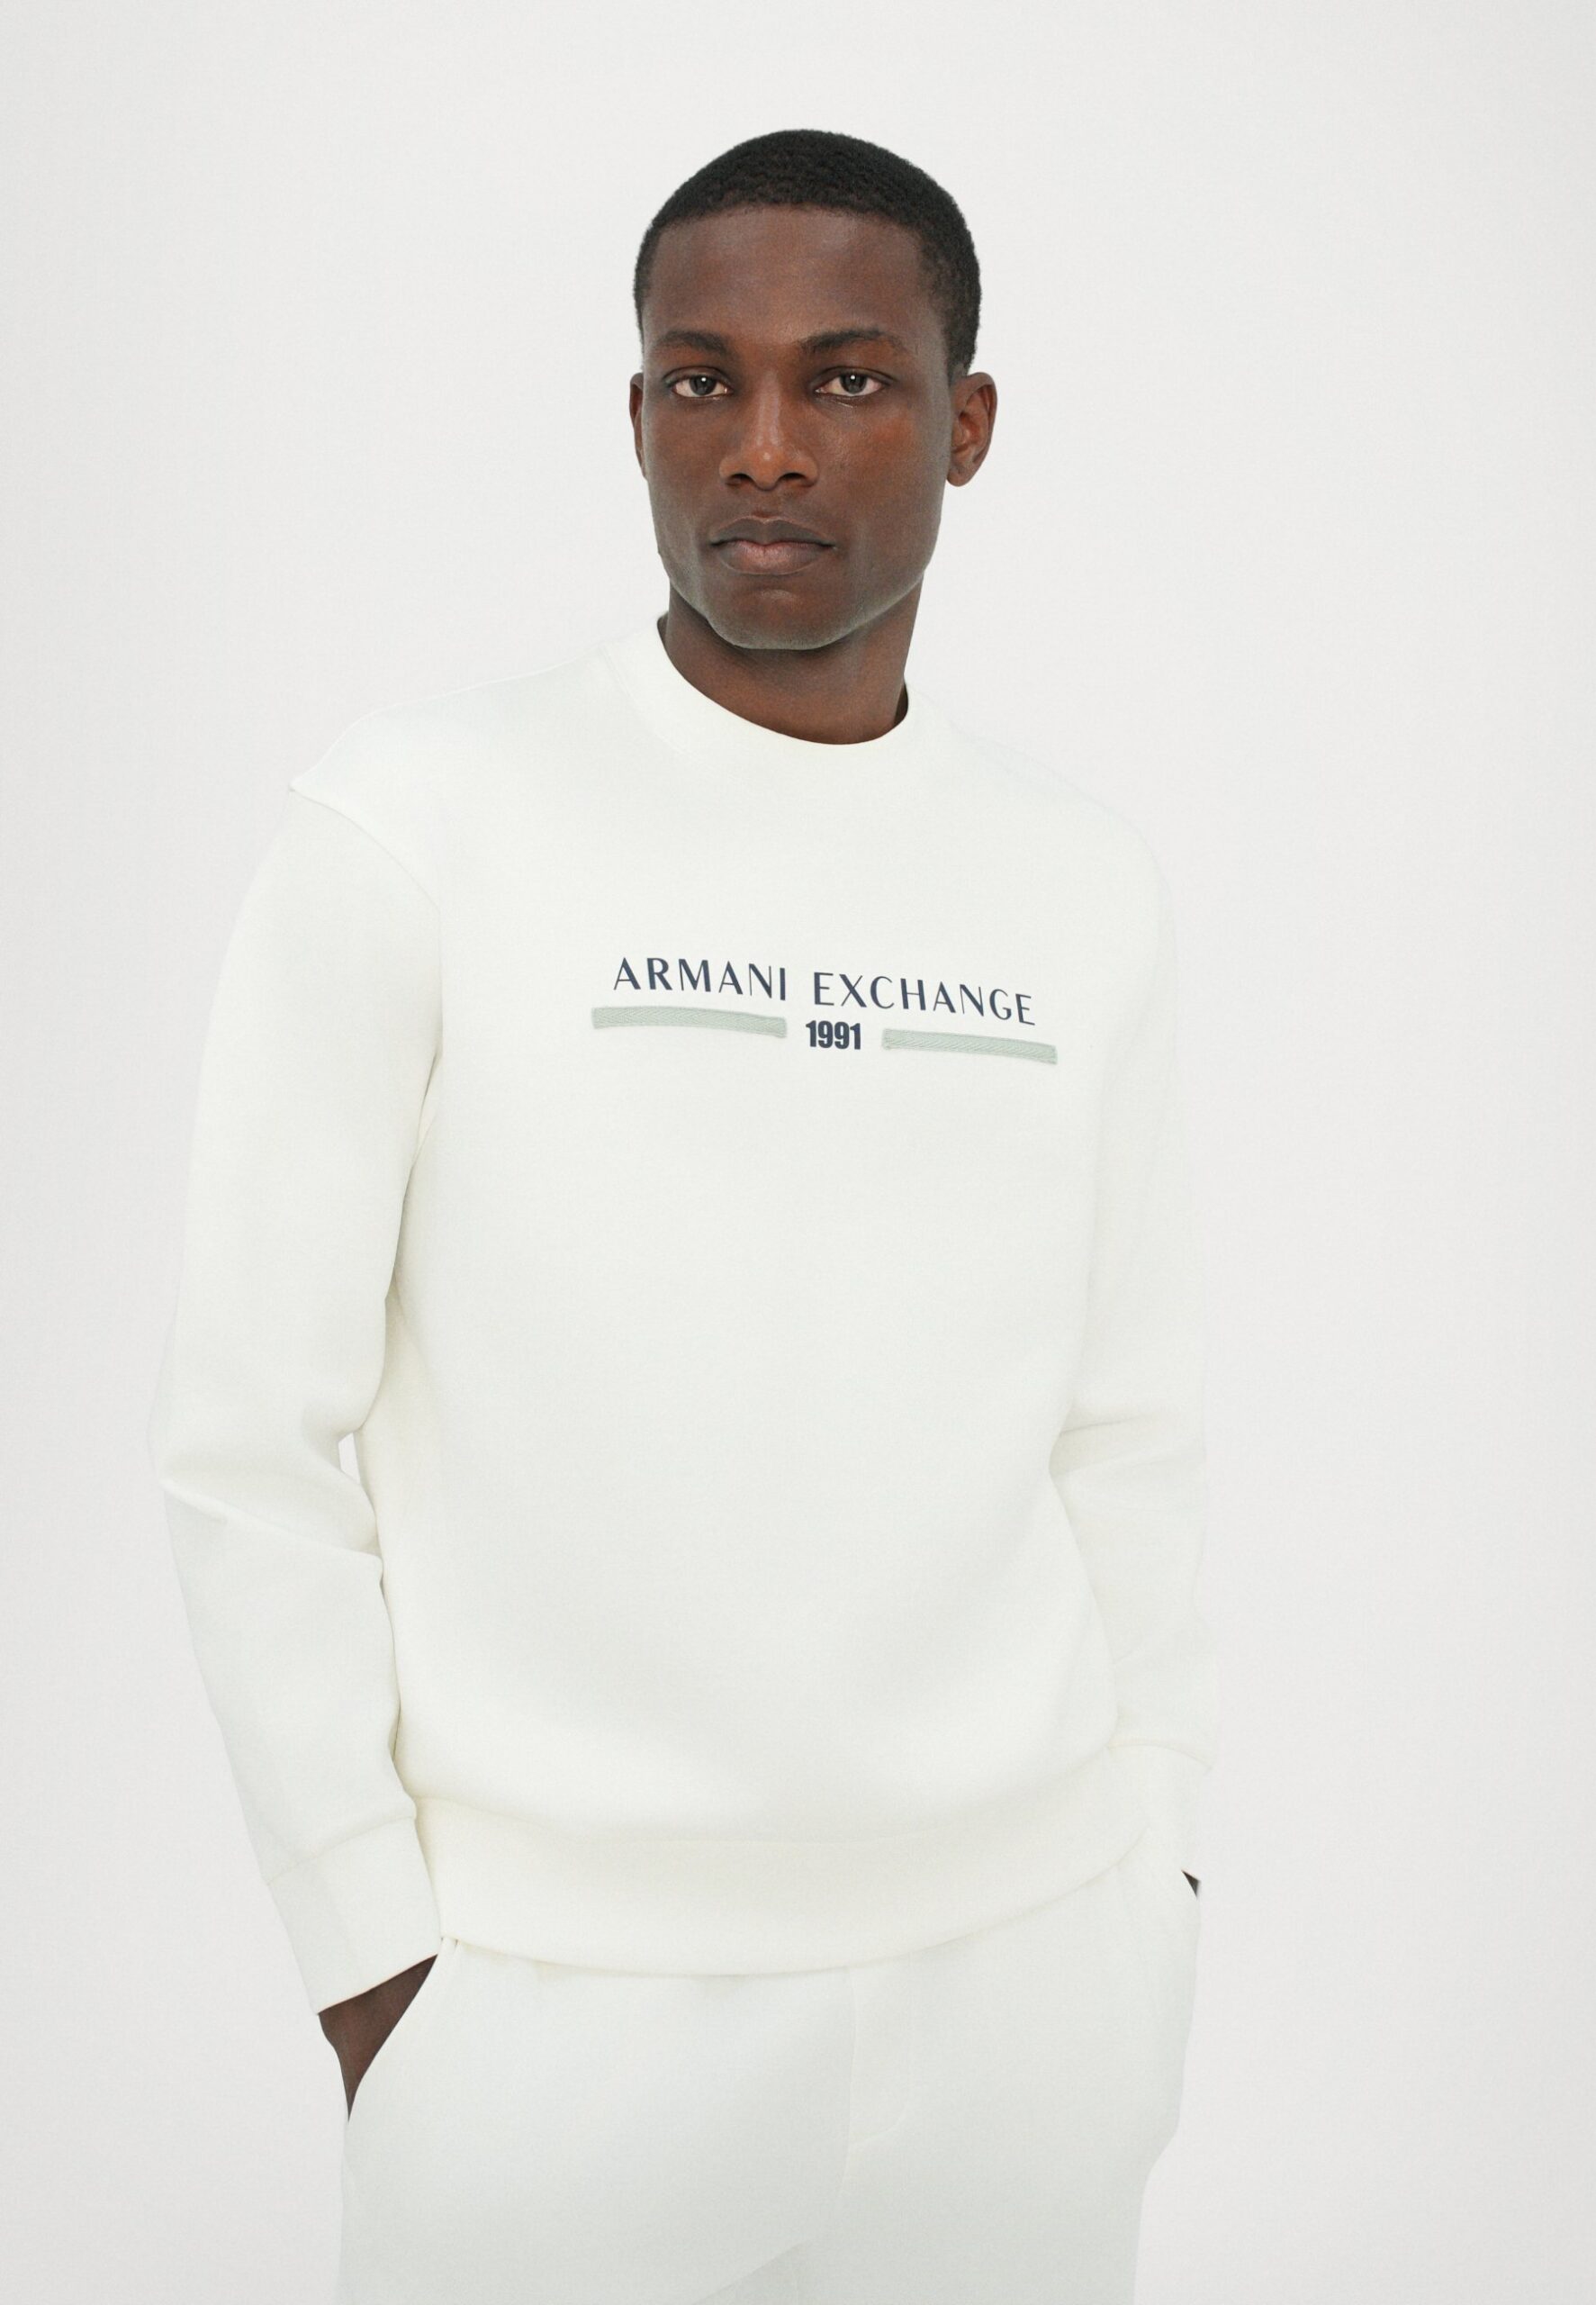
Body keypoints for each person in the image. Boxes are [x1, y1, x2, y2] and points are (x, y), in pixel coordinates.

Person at [148, 124, 1218, 2305]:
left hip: (1025, 1999)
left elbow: (1128, 1427)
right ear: (634, 413)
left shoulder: (1076, 879)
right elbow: (250, 1441)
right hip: (552, 2015)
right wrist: (371, 1958)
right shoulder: (415, 825)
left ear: (964, 422)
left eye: (846, 379)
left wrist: (1155, 1878)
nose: (763, 447)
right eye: (699, 380)